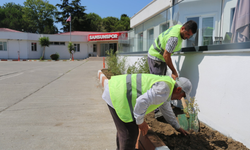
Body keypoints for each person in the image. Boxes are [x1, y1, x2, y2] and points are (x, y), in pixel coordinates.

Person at [102, 74, 192, 150]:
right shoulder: (164, 90)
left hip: (116, 89)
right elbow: (141, 102)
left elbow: (167, 110)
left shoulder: (167, 87)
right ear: (179, 89)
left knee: (124, 131)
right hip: (118, 94)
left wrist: (177, 127)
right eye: (182, 96)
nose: (180, 99)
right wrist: (141, 122)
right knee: (130, 132)